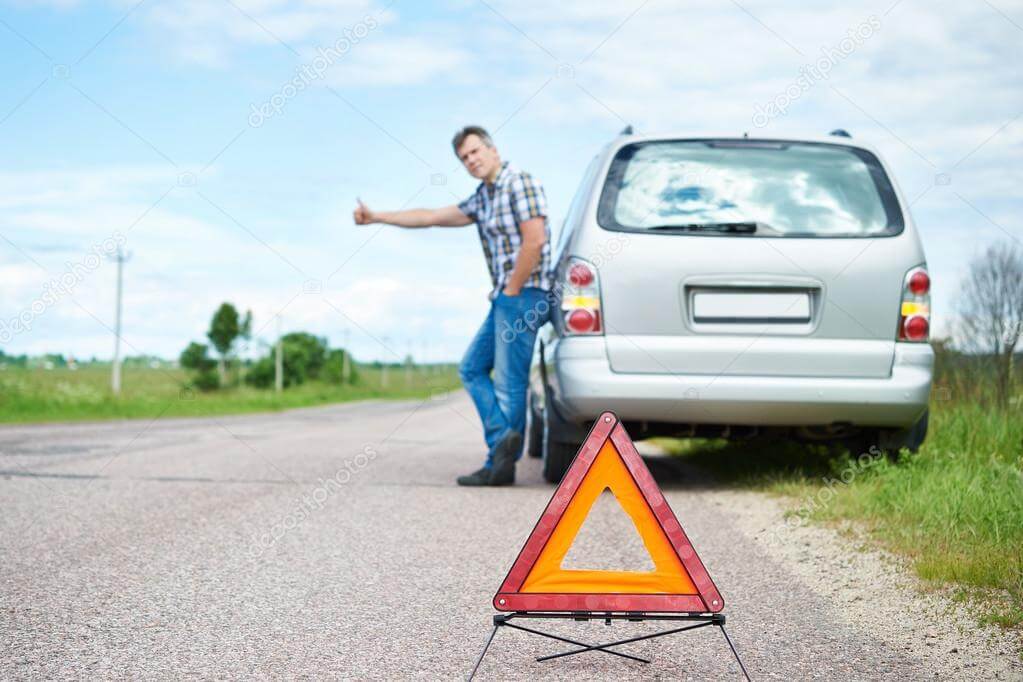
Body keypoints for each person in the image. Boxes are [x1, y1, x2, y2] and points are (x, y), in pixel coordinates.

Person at [353, 125, 552, 487]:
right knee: (471, 369)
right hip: (507, 298)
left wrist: (511, 290)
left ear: (493, 150)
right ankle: (500, 444)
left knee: (509, 384)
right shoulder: (483, 197)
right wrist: (378, 216)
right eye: (464, 158)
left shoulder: (519, 182)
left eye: (475, 152)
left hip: (525, 295)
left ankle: (499, 464)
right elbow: (430, 217)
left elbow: (535, 240)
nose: (471, 160)